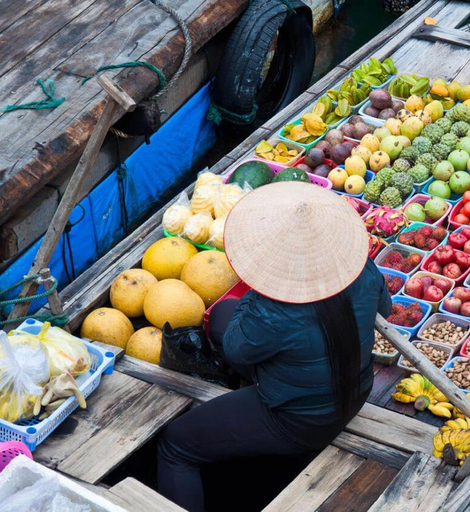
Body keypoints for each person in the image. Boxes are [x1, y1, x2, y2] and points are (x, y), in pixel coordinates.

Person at [157, 182, 392, 511]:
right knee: (224, 314)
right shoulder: (361, 268)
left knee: (175, 446)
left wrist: (259, 294)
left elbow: (237, 349)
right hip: (356, 388)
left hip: (300, 420)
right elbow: (384, 309)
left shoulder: (274, 309)